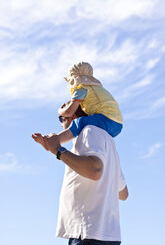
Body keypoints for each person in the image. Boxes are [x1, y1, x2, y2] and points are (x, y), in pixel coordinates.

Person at [32, 103, 128, 245]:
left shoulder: (89, 131)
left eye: (61, 119)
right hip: (105, 235)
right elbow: (123, 193)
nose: (61, 125)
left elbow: (94, 171)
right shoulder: (106, 140)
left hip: (88, 234)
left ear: (74, 116)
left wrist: (58, 150)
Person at [56, 61, 123, 146]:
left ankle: (56, 140)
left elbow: (69, 112)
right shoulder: (97, 89)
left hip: (106, 119)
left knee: (79, 123)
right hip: (117, 125)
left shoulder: (82, 89)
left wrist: (60, 111)